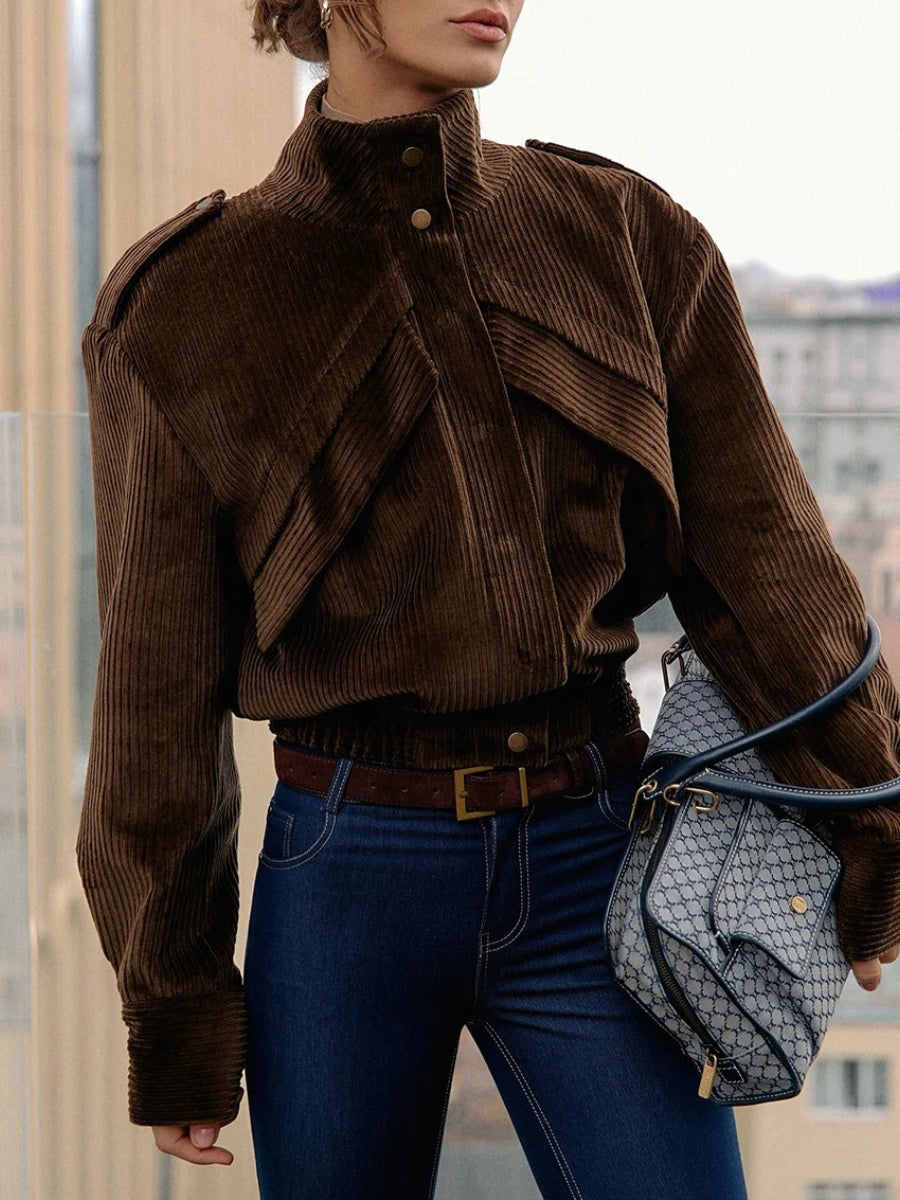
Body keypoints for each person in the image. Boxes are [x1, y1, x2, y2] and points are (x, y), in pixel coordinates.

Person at [75, 0, 900, 1196]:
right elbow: (156, 695)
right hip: (346, 873)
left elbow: (768, 565)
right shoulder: (186, 303)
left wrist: (871, 816)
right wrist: (177, 1009)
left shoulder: (624, 235)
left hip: (599, 852)